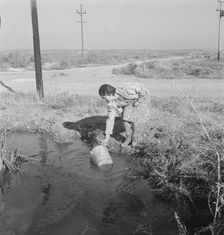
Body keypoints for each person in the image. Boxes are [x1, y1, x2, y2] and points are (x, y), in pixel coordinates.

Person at [98, 82, 149, 147]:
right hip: (128, 104)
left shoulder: (126, 88)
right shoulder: (111, 104)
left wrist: (139, 101)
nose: (104, 100)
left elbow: (142, 90)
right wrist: (106, 138)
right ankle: (128, 138)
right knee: (125, 118)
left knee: (135, 120)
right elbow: (110, 119)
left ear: (107, 93)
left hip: (140, 98)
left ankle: (134, 137)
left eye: (104, 97)